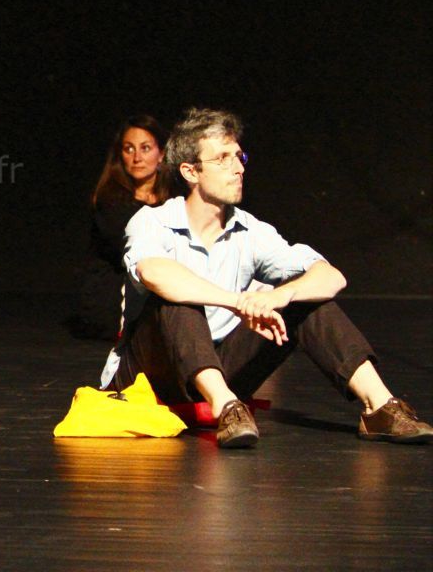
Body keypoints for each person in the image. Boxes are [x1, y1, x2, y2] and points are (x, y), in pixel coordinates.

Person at [109, 107, 432, 448]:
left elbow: (331, 277)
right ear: (190, 171)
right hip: (149, 375)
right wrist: (237, 303)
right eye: (223, 158)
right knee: (177, 297)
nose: (238, 168)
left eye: (239, 157)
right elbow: (154, 273)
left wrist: (280, 296)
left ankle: (379, 407)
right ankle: (226, 406)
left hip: (218, 367)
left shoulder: (251, 231)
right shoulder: (152, 221)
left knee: (307, 299)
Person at [70, 115, 174, 343]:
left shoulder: (174, 198)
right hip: (114, 297)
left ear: (161, 154)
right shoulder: (110, 200)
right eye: (129, 149)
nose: (137, 157)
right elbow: (133, 254)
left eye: (145, 148)